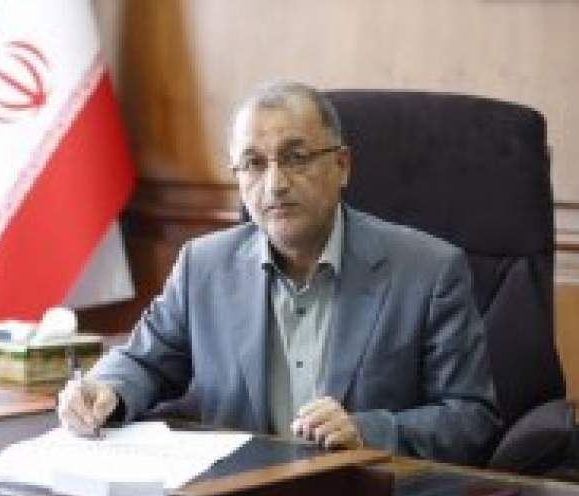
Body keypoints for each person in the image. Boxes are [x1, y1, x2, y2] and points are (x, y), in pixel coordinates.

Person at [58, 82, 501, 465]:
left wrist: (369, 432)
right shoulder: (203, 266)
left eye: (296, 157)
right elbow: (143, 360)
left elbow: (472, 418)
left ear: (342, 166)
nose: (275, 184)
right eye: (253, 163)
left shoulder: (428, 271)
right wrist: (106, 389)